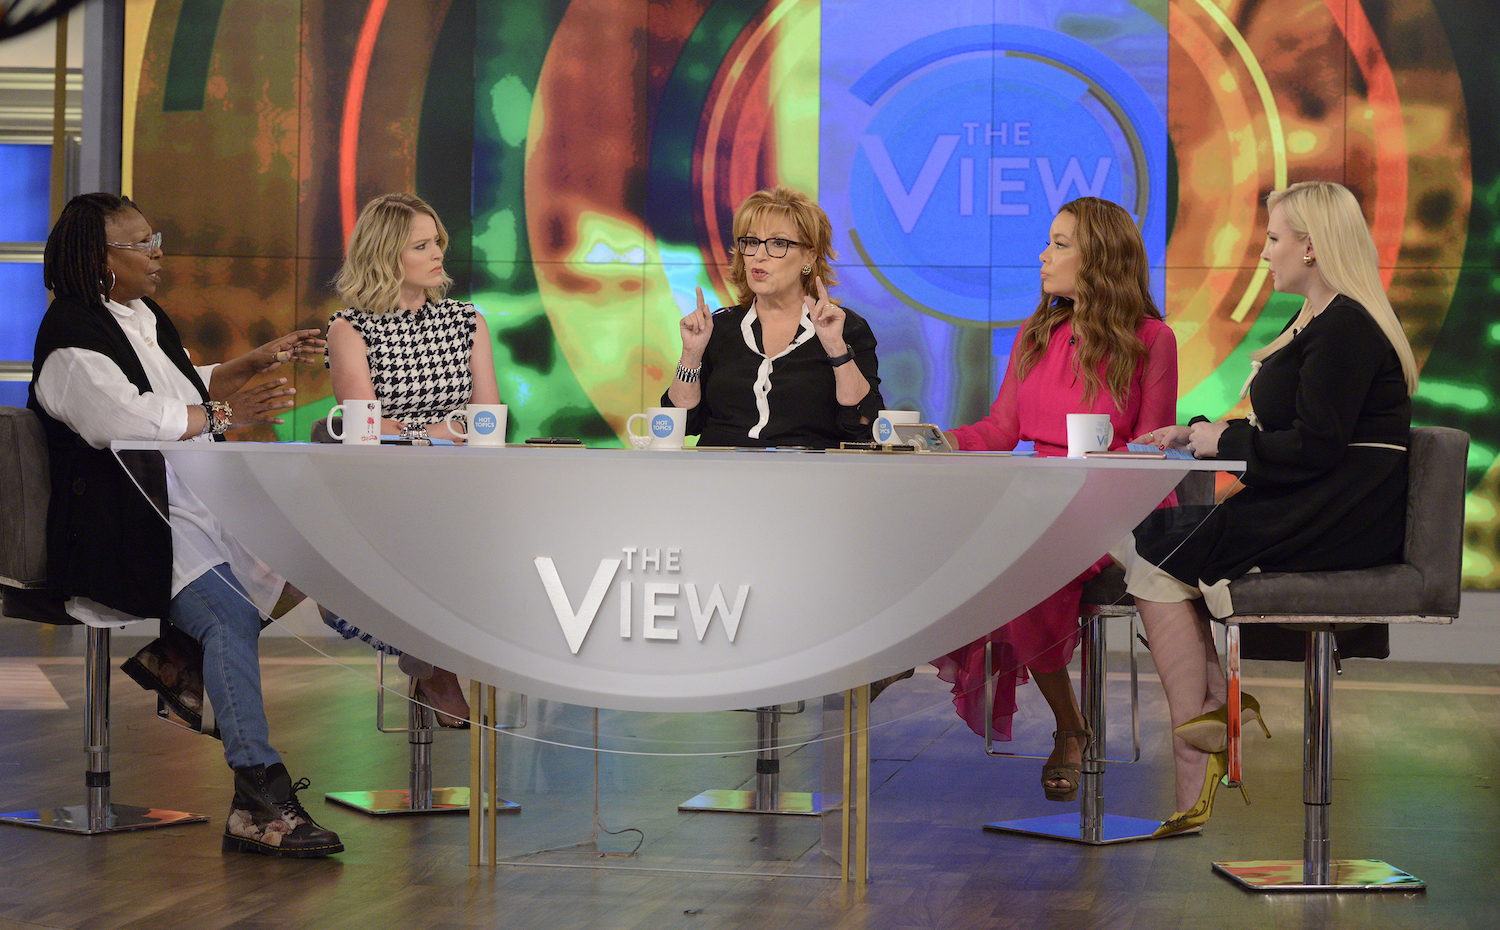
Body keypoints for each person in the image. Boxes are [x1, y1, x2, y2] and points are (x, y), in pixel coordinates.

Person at [30, 192, 343, 858]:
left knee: (301, 556)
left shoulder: (142, 316)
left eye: (156, 239)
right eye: (142, 243)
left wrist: (251, 363)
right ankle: (259, 797)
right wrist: (227, 416)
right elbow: (122, 420)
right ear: (101, 258)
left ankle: (179, 660)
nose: (157, 253)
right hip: (126, 528)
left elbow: (179, 390)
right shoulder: (70, 340)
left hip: (188, 508)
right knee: (229, 617)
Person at [1119, 180, 1418, 836]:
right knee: (1151, 546)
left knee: (1152, 550)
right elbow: (1287, 426)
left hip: (1336, 516)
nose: (1263, 253)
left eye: (1274, 238)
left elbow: (1315, 445)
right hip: (1317, 502)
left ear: (1310, 247)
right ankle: (1209, 719)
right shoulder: (1318, 318)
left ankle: (1201, 732)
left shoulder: (1346, 325)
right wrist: (1199, 431)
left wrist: (1221, 443)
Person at [933, 197, 1178, 803]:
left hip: (1118, 506)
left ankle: (1069, 729)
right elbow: (1000, 430)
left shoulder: (1152, 339)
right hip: (1041, 499)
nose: (1043, 255)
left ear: (1099, 259)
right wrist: (938, 441)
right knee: (969, 536)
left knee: (1025, 556)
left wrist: (1100, 467)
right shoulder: (1035, 334)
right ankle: (1068, 722)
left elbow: (1155, 447)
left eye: (1059, 244)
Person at [324, 192, 500, 726]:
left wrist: (416, 431)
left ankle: (432, 659)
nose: (438, 253)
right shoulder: (349, 328)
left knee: (474, 534)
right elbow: (365, 425)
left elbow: (488, 419)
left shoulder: (467, 321)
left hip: (459, 484)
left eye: (436, 242)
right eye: (421, 246)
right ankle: (434, 664)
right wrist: (442, 431)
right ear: (385, 255)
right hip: (382, 484)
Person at [662, 185, 884, 448]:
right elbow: (681, 423)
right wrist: (691, 355)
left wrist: (836, 348)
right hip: (720, 468)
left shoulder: (846, 328)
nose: (759, 255)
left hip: (806, 470)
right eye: (751, 242)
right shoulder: (718, 327)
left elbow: (863, 425)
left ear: (809, 256)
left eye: (778, 243)